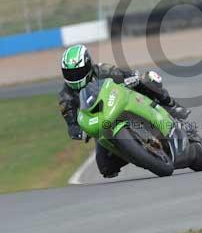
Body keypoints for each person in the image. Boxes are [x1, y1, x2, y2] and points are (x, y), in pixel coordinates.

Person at [58, 44, 190, 178]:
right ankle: (136, 152)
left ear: (88, 65)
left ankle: (171, 106)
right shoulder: (66, 96)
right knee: (105, 167)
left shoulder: (102, 70)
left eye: (78, 71)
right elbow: (72, 123)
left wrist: (132, 78)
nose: (74, 76)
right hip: (102, 123)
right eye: (70, 73)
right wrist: (79, 132)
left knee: (147, 80)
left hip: (121, 101)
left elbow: (125, 74)